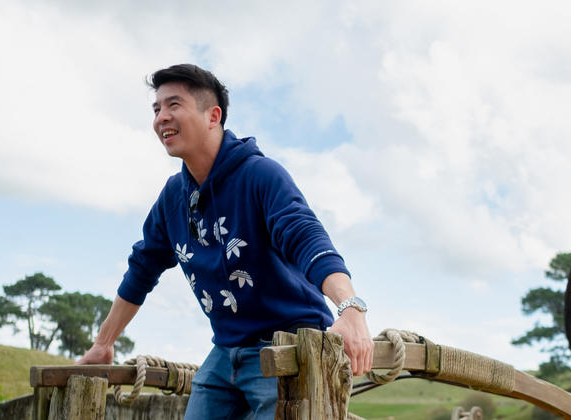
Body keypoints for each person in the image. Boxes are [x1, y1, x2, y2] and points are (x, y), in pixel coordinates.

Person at [76, 64, 374, 419]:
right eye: (156, 109)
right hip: (225, 350)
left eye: (174, 105)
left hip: (287, 346)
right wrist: (103, 342)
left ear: (213, 116)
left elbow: (305, 236)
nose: (161, 117)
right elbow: (142, 269)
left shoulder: (261, 175)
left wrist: (350, 307)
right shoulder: (173, 197)